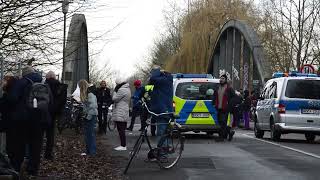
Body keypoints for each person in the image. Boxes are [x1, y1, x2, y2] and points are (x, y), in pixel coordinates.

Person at [6, 66, 51, 176]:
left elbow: (12, 98)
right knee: (36, 146)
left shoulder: (22, 82)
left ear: (24, 74)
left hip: (23, 120)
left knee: (20, 145)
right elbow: (50, 102)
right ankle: (33, 170)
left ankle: (16, 168)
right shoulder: (44, 83)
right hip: (39, 120)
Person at [43, 71, 67, 160]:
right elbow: (62, 101)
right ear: (54, 77)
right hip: (53, 114)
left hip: (43, 111)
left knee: (39, 133)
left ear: (47, 77)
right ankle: (48, 154)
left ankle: (36, 153)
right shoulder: (60, 86)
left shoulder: (44, 85)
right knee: (50, 135)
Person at [148, 66, 173, 145]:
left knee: (161, 132)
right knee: (163, 132)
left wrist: (156, 71)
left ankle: (162, 153)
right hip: (162, 110)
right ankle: (165, 149)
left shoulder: (164, 81)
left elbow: (152, 79)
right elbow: (150, 89)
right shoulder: (163, 81)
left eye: (152, 72)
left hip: (163, 110)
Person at [213, 74, 236, 141]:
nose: (221, 79)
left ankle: (221, 137)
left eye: (223, 78)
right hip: (218, 108)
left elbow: (234, 97)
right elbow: (215, 96)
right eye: (220, 78)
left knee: (223, 122)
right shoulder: (217, 87)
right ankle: (229, 132)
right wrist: (213, 103)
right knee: (220, 122)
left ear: (225, 80)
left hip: (225, 108)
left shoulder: (229, 88)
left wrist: (229, 105)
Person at [79, 80, 98, 156]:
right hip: (88, 115)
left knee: (90, 134)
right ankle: (89, 151)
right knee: (87, 134)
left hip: (91, 115)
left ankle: (92, 152)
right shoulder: (88, 93)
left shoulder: (90, 94)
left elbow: (93, 106)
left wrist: (88, 116)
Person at [112, 77, 131, 151]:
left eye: (116, 84)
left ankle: (123, 145)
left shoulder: (122, 90)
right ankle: (123, 145)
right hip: (124, 109)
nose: (116, 85)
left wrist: (114, 92)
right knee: (121, 128)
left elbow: (115, 99)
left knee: (121, 129)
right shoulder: (127, 89)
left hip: (120, 110)